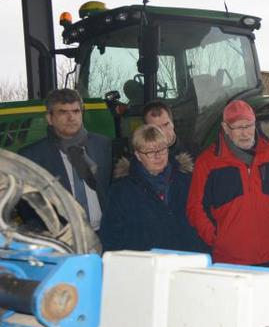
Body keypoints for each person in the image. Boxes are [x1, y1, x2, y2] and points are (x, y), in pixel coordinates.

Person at [186, 100, 269, 267]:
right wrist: (216, 238)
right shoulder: (208, 162)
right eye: (238, 127)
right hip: (231, 258)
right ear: (225, 127)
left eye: (249, 126)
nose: (245, 133)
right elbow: (195, 208)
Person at [100, 125, 207, 253]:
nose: (158, 156)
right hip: (145, 266)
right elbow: (111, 237)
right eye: (150, 152)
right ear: (138, 155)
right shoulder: (121, 191)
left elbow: (203, 220)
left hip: (187, 261)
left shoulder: (187, 182)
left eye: (162, 149)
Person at [19, 88, 111, 231]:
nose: (71, 118)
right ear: (49, 118)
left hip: (104, 233)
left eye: (76, 111)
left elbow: (110, 189)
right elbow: (27, 206)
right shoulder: (32, 156)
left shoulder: (102, 145)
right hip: (62, 238)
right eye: (63, 112)